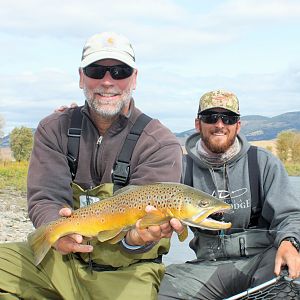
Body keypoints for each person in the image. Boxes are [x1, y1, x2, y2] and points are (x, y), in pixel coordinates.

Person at [0, 31, 184, 300]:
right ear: (81, 77)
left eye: (119, 72)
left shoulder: (159, 143)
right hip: (61, 260)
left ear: (134, 78)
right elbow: (45, 196)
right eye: (96, 70)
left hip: (127, 271)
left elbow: (143, 233)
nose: (107, 81)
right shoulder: (54, 128)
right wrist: (55, 229)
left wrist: (135, 239)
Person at [159, 89, 300, 299]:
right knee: (157, 290)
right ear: (198, 124)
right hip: (205, 267)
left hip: (262, 261)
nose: (219, 124)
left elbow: (290, 215)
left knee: (291, 279)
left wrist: (290, 242)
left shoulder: (263, 163)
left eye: (228, 118)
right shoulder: (181, 168)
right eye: (210, 117)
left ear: (238, 125)